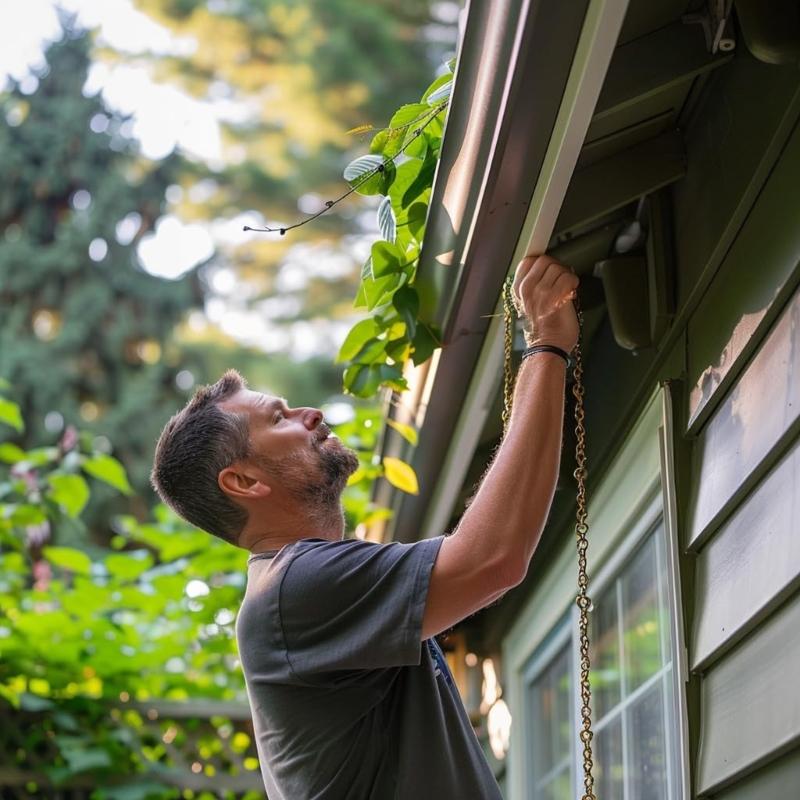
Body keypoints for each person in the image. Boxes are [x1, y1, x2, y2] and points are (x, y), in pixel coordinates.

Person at [150, 254, 579, 799]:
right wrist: (546, 346)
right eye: (278, 419)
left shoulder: (304, 591)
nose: (309, 414)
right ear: (244, 481)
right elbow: (492, 557)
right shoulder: (294, 591)